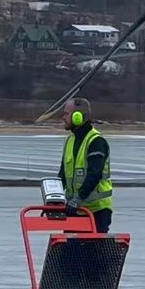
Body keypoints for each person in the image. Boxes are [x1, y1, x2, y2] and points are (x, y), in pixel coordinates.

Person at [59, 98, 113, 232]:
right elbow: (63, 175)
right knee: (69, 250)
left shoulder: (96, 141)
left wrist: (78, 199)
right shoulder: (70, 141)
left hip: (96, 211)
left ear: (77, 117)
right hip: (75, 209)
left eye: (66, 114)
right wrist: (56, 197)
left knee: (93, 251)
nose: (63, 117)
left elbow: (95, 174)